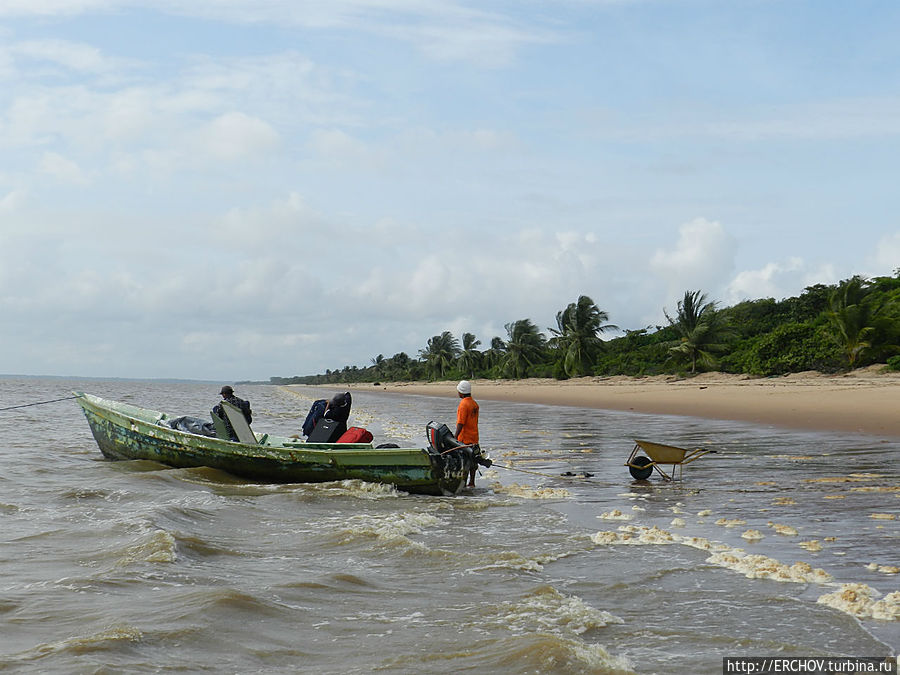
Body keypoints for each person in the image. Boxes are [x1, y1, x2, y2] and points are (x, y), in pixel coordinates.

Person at [454, 380, 481, 487]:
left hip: (464, 438)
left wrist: (455, 438)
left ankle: (464, 483)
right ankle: (472, 482)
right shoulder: (474, 404)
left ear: (461, 392)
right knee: (473, 461)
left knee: (464, 461)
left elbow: (460, 423)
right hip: (474, 437)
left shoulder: (463, 404)